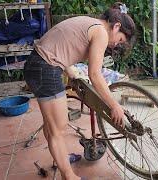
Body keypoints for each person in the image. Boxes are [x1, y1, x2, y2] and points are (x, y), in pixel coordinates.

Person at [23, 2, 135, 179]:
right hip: (45, 68)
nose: (116, 44)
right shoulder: (100, 32)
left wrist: (72, 75)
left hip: (38, 65)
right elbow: (95, 74)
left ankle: (60, 160)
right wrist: (114, 105)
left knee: (52, 125)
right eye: (120, 39)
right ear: (117, 26)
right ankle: (68, 175)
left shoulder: (89, 23)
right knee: (57, 129)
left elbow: (62, 47)